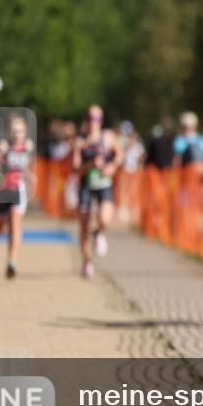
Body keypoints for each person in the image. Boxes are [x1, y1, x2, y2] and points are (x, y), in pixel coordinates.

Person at [73, 105, 123, 278]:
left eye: (97, 119)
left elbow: (119, 154)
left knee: (104, 218)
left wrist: (112, 166)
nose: (94, 123)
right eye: (90, 118)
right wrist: (89, 166)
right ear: (85, 120)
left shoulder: (107, 137)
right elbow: (75, 167)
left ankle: (99, 233)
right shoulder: (80, 141)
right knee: (84, 224)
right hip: (86, 185)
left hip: (104, 184)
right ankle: (86, 262)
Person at [0, 115, 35, 279]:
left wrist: (30, 177)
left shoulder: (28, 147)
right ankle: (2, 228)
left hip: (18, 189)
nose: (17, 134)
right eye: (14, 131)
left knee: (15, 225)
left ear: (25, 132)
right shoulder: (3, 147)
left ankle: (12, 262)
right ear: (9, 132)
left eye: (21, 131)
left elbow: (25, 168)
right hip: (4, 191)